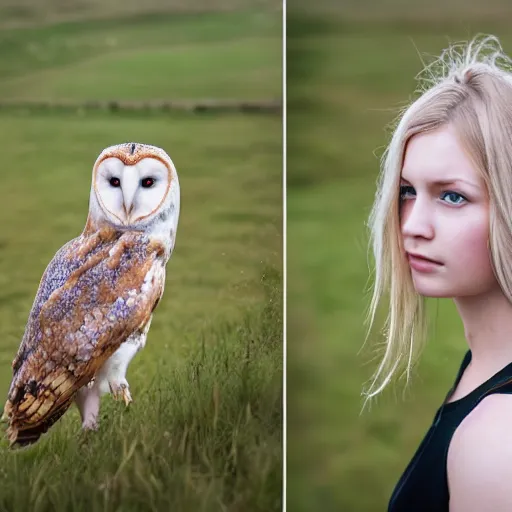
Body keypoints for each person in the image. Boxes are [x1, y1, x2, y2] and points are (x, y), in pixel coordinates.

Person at [364, 35, 512, 512]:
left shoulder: (496, 442)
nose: (412, 226)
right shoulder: (482, 368)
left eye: (452, 196)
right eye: (407, 191)